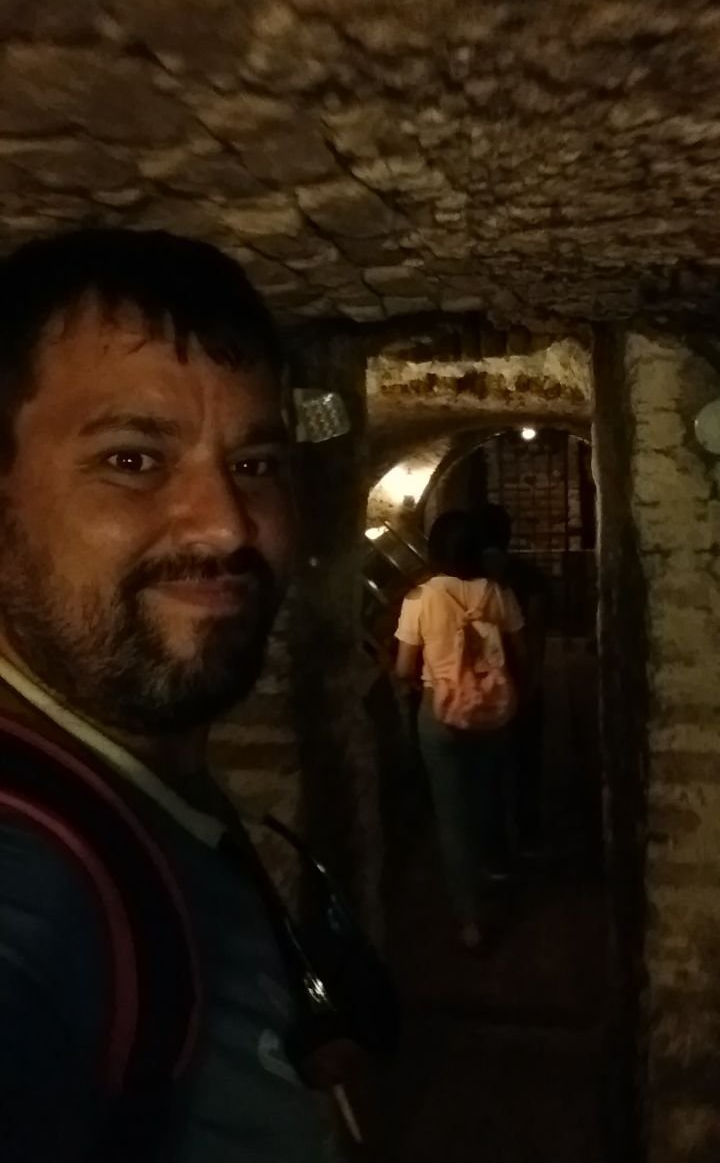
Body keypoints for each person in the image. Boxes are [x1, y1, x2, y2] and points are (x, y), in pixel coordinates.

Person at [0, 228, 341, 1161]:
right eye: (132, 460)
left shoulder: (147, 786)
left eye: (256, 464)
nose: (226, 524)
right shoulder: (31, 896)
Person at [394, 511, 525, 951]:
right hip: (493, 710)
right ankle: (490, 868)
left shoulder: (420, 598)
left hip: (440, 711)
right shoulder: (498, 593)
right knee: (486, 793)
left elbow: (403, 668)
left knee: (452, 814)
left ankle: (470, 920)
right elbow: (520, 652)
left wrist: (423, 685)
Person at [476, 502, 549, 856]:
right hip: (519, 677)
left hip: (482, 683)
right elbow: (535, 630)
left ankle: (493, 846)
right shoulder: (529, 575)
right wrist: (534, 676)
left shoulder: (466, 576)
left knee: (487, 768)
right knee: (525, 764)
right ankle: (528, 832)